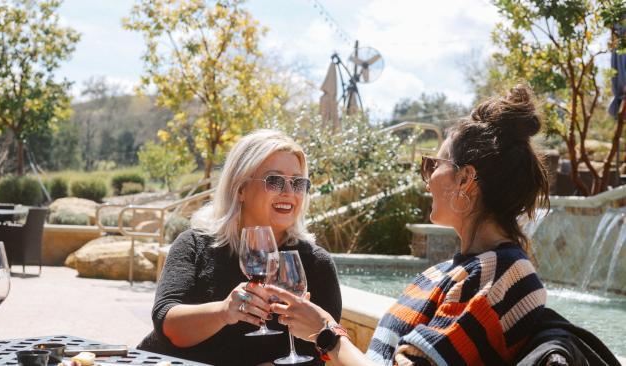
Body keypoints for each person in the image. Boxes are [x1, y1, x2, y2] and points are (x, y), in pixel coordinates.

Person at [266, 85, 550, 366]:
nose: (426, 180)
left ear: (465, 179)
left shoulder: (500, 278)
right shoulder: (451, 272)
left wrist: (326, 334)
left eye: (432, 165)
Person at [138, 129, 342, 365]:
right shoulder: (194, 245)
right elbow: (167, 325)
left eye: (297, 183)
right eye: (275, 181)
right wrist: (224, 312)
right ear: (240, 188)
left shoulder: (316, 264)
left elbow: (323, 352)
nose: (288, 192)